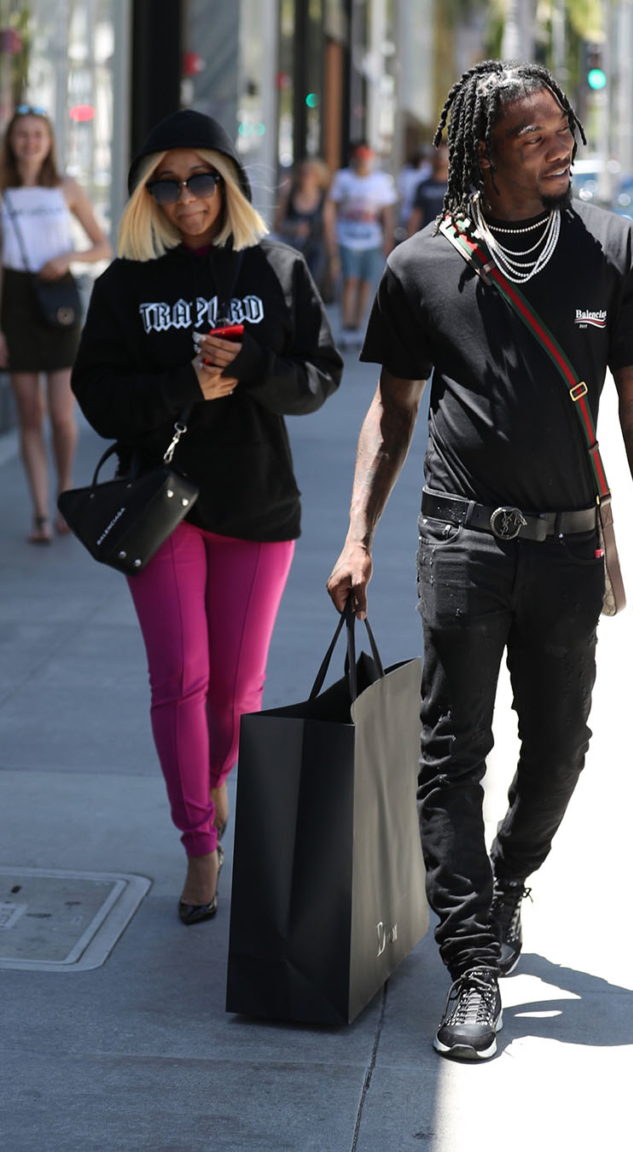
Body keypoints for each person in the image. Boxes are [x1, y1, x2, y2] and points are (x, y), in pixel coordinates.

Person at [327, 61, 633, 1059]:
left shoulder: (616, 251)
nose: (561, 147)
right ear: (482, 153)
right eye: (536, 136)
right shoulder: (419, 268)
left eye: (563, 130)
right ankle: (472, 967)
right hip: (460, 539)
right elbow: (394, 410)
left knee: (561, 745)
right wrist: (358, 532)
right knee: (453, 752)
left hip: (571, 546)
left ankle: (508, 878)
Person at [71, 109, 342, 926]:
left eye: (200, 179)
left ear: (226, 179)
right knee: (179, 678)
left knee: (235, 691)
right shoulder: (126, 283)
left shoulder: (277, 267)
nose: (186, 197)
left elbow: (319, 378)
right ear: (146, 193)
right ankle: (199, 843)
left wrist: (253, 365)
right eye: (167, 182)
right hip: (163, 505)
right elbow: (98, 396)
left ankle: (211, 781)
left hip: (257, 499)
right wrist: (184, 388)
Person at [0, 103, 111, 543]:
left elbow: (102, 245)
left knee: (62, 414)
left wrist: (69, 256)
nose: (29, 142)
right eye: (22, 134)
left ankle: (66, 495)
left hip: (58, 297)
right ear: (11, 141)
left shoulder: (65, 188)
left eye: (37, 135)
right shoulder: (3, 190)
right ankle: (41, 513)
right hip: (16, 301)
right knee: (29, 411)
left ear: (49, 142)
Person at [327, 142, 397, 348]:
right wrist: (331, 239)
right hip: (347, 238)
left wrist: (388, 240)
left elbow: (387, 213)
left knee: (366, 284)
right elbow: (332, 207)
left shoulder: (381, 181)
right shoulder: (343, 178)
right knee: (349, 281)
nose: (363, 161)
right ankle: (347, 327)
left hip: (371, 239)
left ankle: (358, 327)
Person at [272, 157, 337, 289]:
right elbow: (277, 225)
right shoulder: (289, 196)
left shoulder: (324, 200)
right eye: (303, 173)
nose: (305, 178)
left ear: (318, 178)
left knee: (310, 289)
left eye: (310, 174)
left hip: (315, 252)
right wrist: (293, 229)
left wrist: (334, 258)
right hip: (292, 250)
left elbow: (329, 231)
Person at [406, 141, 449, 237]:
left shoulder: (458, 187)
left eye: (445, 154)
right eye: (438, 154)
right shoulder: (423, 186)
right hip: (427, 239)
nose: (441, 158)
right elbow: (416, 216)